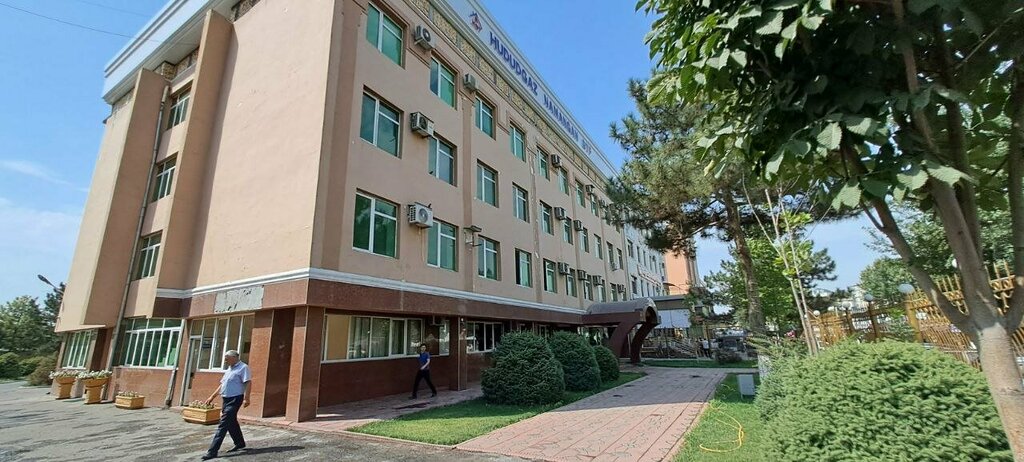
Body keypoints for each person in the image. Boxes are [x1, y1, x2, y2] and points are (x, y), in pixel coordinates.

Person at [201, 350, 251, 460]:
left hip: (235, 399)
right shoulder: (229, 369)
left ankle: (212, 451)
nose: (225, 360)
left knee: (223, 424)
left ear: (234, 357)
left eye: (227, 358)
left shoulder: (243, 367)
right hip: (226, 399)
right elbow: (222, 384)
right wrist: (212, 397)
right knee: (231, 422)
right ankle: (240, 443)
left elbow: (248, 382)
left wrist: (247, 398)